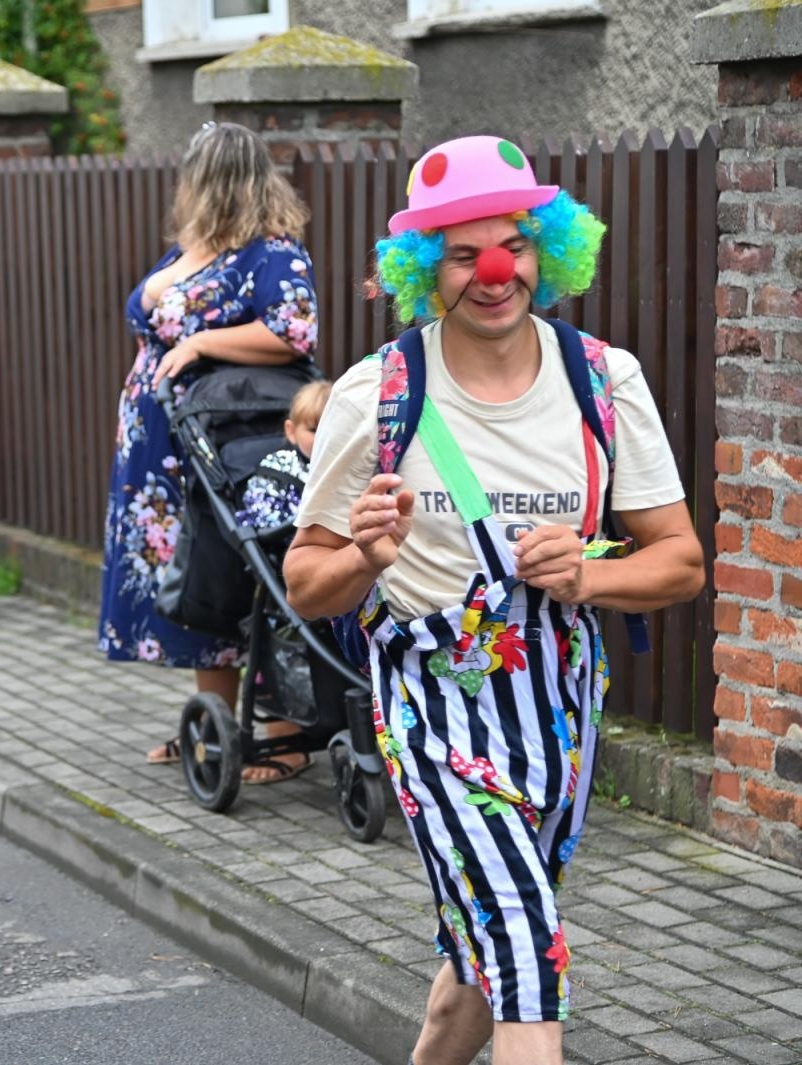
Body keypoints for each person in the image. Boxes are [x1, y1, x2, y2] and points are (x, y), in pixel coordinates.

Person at [283, 135, 704, 1065]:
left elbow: (680, 560)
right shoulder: (378, 394)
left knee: (483, 961)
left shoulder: (603, 379)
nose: (494, 273)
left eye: (509, 246)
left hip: (559, 711)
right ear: (424, 269)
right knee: (523, 942)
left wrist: (591, 575)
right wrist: (364, 554)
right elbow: (307, 585)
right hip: (432, 710)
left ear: (545, 251)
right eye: (463, 254)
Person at [96, 122, 320, 784]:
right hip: (159, 443)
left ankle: (283, 732)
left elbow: (294, 332)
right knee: (192, 575)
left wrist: (198, 346)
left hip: (220, 437)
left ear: (216, 181)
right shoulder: (189, 249)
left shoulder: (271, 251)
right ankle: (210, 720)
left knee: (244, 572)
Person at [235, 380, 330, 530]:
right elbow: (261, 514)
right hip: (288, 540)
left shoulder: (350, 466)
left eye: (331, 431)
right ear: (291, 432)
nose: (323, 437)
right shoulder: (276, 467)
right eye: (313, 430)